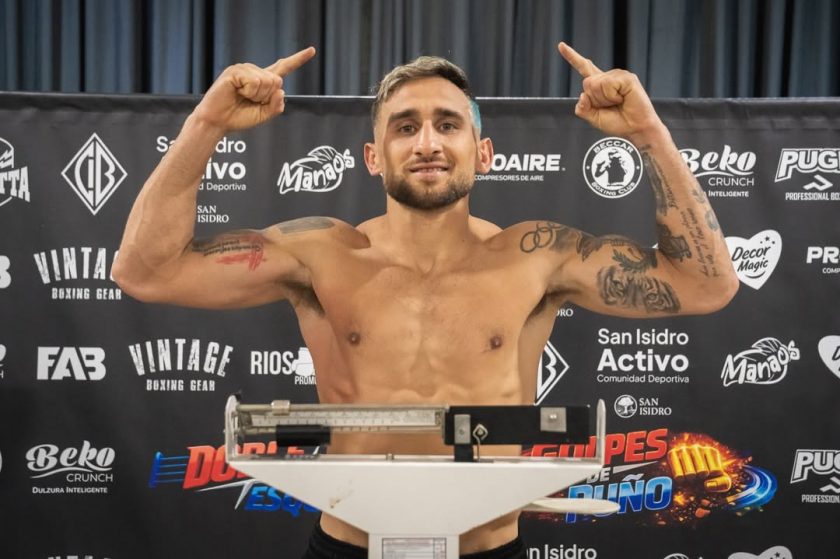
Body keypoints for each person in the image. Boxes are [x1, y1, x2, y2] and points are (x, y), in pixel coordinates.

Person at [113, 43, 739, 559]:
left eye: (448, 124)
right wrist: (208, 123)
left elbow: (705, 285)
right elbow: (145, 272)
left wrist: (648, 133)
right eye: (405, 127)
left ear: (483, 153)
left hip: (488, 548)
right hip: (349, 546)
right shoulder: (321, 254)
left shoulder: (537, 256)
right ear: (373, 157)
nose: (427, 143)